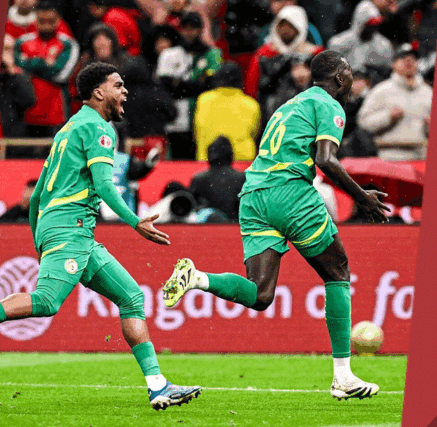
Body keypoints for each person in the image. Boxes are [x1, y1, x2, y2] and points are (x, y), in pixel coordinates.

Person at [0, 62, 202, 410]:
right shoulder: (99, 129)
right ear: (98, 92)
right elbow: (105, 186)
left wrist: (38, 239)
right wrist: (136, 221)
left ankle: (158, 387)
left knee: (131, 297)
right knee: (46, 301)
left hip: (70, 230)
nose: (125, 92)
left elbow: (37, 196)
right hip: (72, 227)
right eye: (118, 85)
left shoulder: (69, 129)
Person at [162, 51, 389, 400]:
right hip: (289, 192)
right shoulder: (329, 105)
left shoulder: (289, 105)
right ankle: (343, 377)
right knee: (337, 272)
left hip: (253, 195)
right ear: (340, 78)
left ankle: (197, 278)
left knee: (260, 294)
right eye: (348, 74)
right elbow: (325, 159)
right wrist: (362, 197)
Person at [156, 11, 223, 159]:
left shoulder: (211, 54)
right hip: (177, 119)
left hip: (203, 115)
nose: (189, 32)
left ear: (200, 29)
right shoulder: (169, 54)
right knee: (178, 159)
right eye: (185, 28)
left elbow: (211, 84)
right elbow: (166, 87)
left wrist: (181, 86)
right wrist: (196, 85)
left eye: (193, 28)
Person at [14, 2, 80, 139]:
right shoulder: (22, 42)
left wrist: (29, 63)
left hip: (56, 114)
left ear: (58, 20)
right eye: (42, 21)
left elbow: (61, 75)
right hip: (25, 113)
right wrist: (44, 63)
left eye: (50, 21)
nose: (46, 25)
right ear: (35, 19)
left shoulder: (68, 44)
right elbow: (16, 70)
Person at [356, 43, 433, 161]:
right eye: (403, 58)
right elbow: (363, 122)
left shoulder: (428, 92)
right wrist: (388, 117)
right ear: (393, 64)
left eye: (413, 58)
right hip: (390, 155)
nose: (408, 61)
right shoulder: (381, 90)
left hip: (421, 156)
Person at [193, 62, 260, 161]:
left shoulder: (203, 100)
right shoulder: (251, 105)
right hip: (242, 162)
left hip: (208, 161)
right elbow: (255, 134)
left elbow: (196, 133)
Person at [189, 136, 246, 221]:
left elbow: (191, 211)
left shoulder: (198, 179)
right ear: (231, 155)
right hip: (235, 225)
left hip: (207, 226)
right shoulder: (242, 178)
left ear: (209, 155)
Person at [327, 0, 393, 73]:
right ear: (359, 23)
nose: (372, 28)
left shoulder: (384, 45)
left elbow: (388, 71)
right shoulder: (338, 43)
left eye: (375, 25)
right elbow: (331, 72)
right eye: (369, 25)